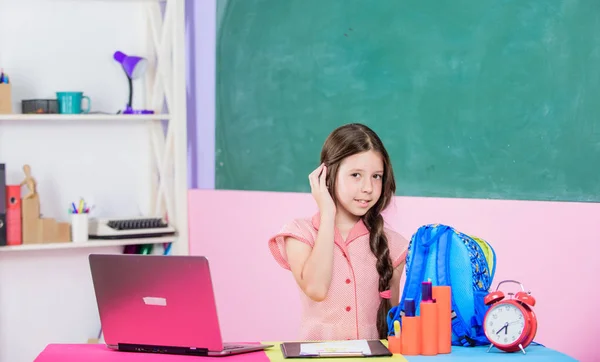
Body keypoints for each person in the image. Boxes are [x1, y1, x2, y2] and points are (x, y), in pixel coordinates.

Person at [268, 123, 409, 341]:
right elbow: (316, 289)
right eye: (355, 175)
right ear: (327, 175)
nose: (368, 188)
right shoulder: (300, 234)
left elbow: (393, 326)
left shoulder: (394, 246)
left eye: (376, 176)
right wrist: (327, 214)